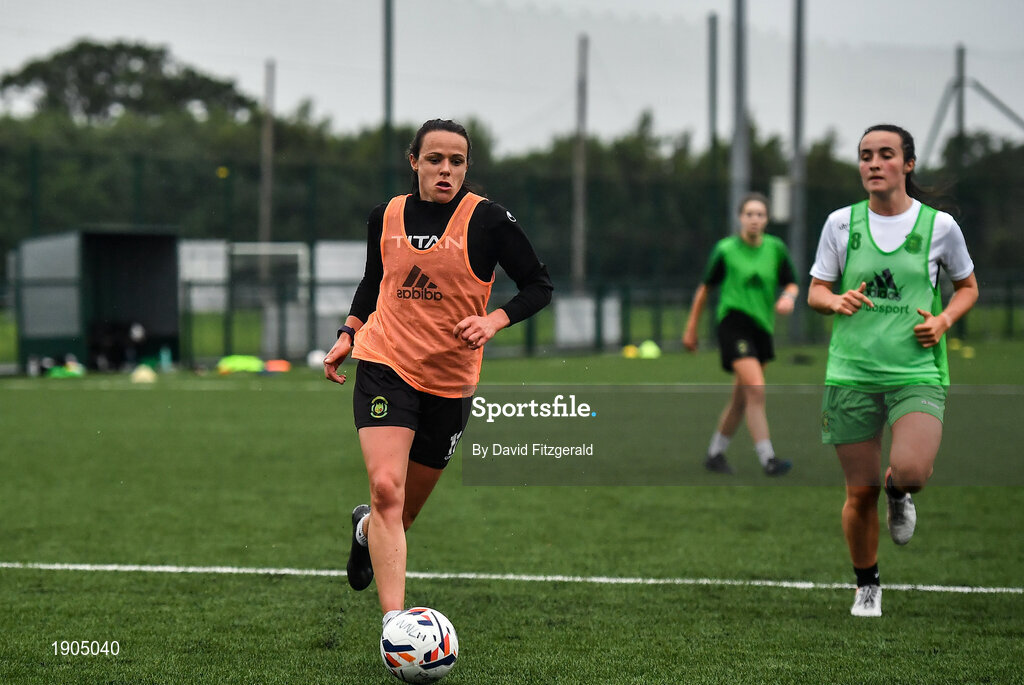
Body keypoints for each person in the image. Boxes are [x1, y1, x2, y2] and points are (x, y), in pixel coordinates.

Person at [323, 119, 552, 629]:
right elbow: (373, 281)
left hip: (450, 381)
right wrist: (348, 332)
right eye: (434, 159)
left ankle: (365, 534)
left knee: (399, 517)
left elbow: (538, 284)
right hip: (386, 363)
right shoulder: (387, 215)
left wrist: (494, 320)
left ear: (467, 167)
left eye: (456, 161)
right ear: (414, 162)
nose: (445, 170)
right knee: (386, 488)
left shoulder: (488, 221)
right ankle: (395, 627)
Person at [807, 124, 978, 617]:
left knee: (912, 471)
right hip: (851, 373)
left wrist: (944, 320)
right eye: (865, 156)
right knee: (857, 494)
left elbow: (967, 287)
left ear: (907, 164)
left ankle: (899, 493)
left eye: (885, 154)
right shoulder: (840, 224)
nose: (873, 163)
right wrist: (835, 299)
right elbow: (818, 289)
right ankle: (867, 584)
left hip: (915, 371)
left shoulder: (940, 227)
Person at [683, 192, 799, 476]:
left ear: (767, 219)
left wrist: (788, 298)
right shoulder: (725, 250)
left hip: (762, 328)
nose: (754, 219)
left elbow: (792, 283)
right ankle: (768, 458)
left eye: (760, 214)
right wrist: (691, 328)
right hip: (733, 324)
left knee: (741, 397)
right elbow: (704, 289)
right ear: (740, 218)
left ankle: (715, 454)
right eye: (749, 214)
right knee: (756, 388)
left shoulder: (776, 248)